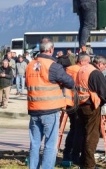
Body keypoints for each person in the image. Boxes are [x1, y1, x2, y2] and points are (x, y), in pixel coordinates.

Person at [26, 38, 74, 169]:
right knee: (50, 145)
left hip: (34, 109)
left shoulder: (30, 65)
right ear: (51, 49)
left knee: (35, 144)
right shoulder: (53, 66)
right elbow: (70, 82)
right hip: (50, 110)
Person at [76, 54, 106, 169]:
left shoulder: (83, 69)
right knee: (92, 136)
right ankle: (89, 165)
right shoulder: (96, 73)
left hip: (80, 104)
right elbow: (104, 93)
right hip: (91, 106)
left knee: (84, 134)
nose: (105, 68)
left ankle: (82, 161)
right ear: (100, 64)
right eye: (105, 65)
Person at [62, 56, 83, 166]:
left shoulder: (68, 69)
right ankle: (74, 155)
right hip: (78, 103)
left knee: (73, 129)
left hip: (68, 103)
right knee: (78, 130)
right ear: (82, 61)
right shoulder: (79, 70)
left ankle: (67, 154)